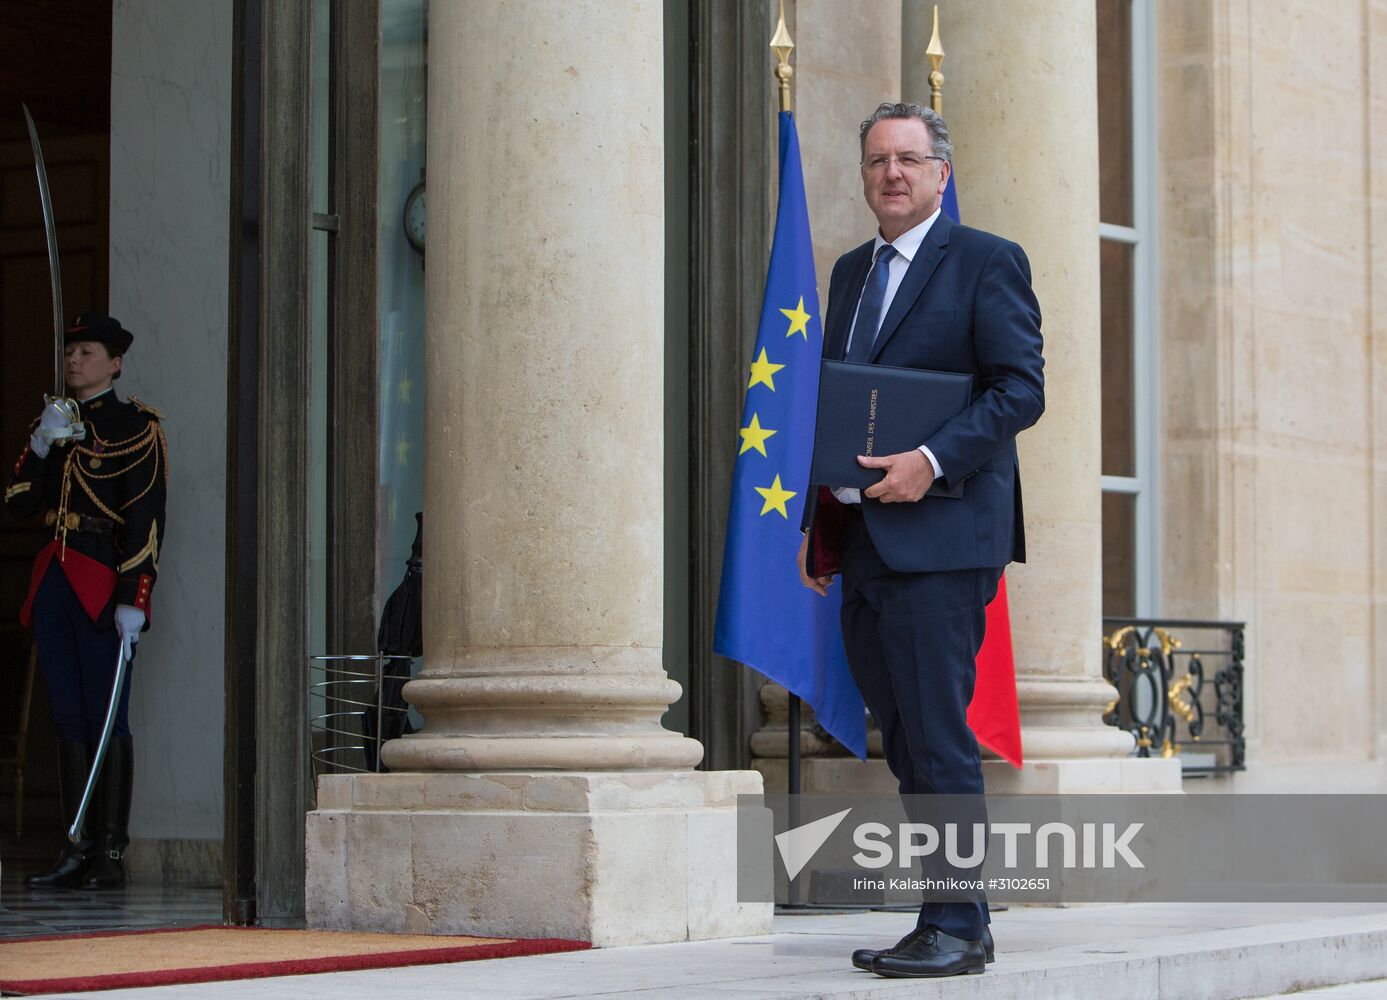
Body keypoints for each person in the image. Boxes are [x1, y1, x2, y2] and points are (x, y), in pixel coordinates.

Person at [797, 103, 1044, 978]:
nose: (891, 175)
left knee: (936, 734)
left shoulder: (985, 261)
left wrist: (930, 461)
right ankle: (957, 912)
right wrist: (818, 519)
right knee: (901, 736)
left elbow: (1019, 390)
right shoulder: (851, 271)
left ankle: (954, 925)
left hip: (941, 538)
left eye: (908, 159)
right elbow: (843, 395)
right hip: (864, 539)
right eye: (876, 162)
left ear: (941, 170)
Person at [4, 313, 168, 890]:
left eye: (88, 351)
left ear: (115, 362)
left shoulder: (135, 427)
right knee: (68, 715)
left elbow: (146, 519)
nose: (75, 359)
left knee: (107, 719)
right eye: (71, 351)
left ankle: (111, 854)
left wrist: (135, 598)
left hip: (103, 580)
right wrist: (41, 443)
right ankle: (74, 846)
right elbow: (19, 503)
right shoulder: (53, 424)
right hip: (56, 578)